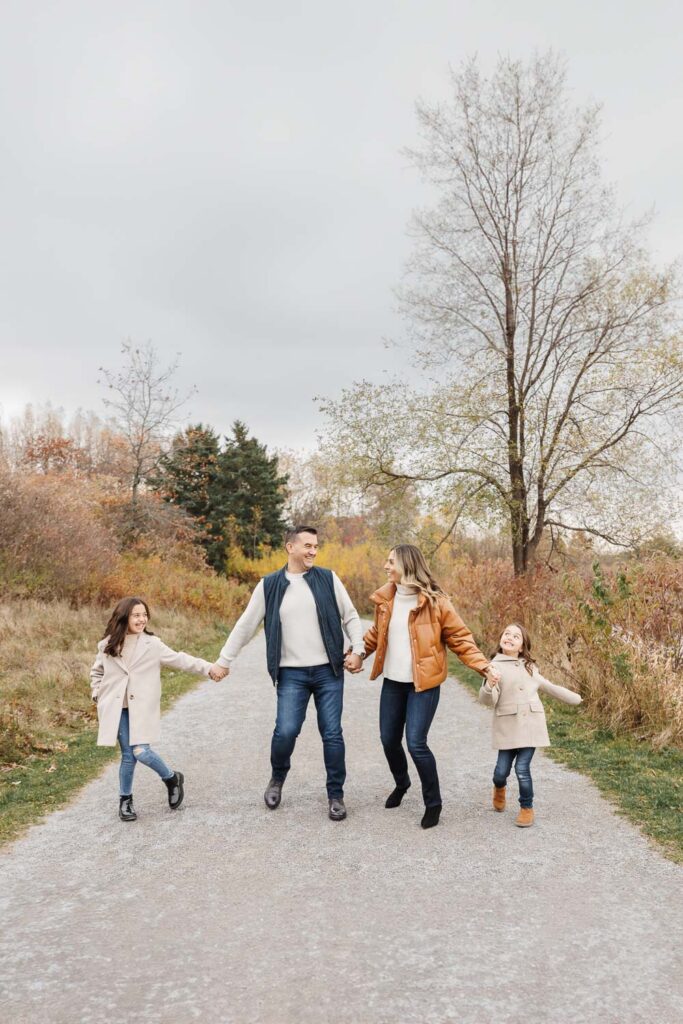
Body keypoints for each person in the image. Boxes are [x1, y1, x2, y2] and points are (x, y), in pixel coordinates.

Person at [209, 526, 365, 821]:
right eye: (307, 546)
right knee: (286, 730)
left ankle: (335, 794)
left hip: (328, 671)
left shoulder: (328, 578)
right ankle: (277, 777)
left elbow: (351, 616)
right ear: (290, 547)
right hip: (291, 674)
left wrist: (358, 649)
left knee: (332, 733)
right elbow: (246, 625)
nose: (313, 551)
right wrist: (224, 660)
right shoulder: (269, 585)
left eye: (316, 546)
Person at [356, 544, 500, 829]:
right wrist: (358, 654)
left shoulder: (437, 603)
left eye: (391, 561)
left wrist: (484, 666)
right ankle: (402, 783)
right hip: (393, 683)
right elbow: (375, 634)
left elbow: (460, 639)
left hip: (423, 686)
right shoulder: (386, 599)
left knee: (416, 743)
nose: (386, 566)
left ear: (407, 565)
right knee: (388, 739)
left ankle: (433, 803)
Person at [90, 596, 214, 822]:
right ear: (124, 617)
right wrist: (97, 694)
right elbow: (97, 672)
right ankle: (125, 800)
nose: (142, 619)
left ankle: (171, 778)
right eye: (136, 615)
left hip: (141, 708)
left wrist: (209, 669)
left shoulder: (152, 645)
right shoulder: (108, 644)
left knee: (141, 751)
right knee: (128, 756)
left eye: (144, 615)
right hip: (118, 709)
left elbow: (180, 659)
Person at [478, 622, 582, 827]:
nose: (509, 637)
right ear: (501, 639)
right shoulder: (494, 667)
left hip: (530, 726)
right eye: (506, 633)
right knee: (500, 772)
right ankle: (499, 788)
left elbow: (549, 686)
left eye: (515, 636)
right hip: (508, 727)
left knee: (522, 769)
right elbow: (488, 700)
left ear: (522, 646)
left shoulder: (529, 667)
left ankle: (526, 808)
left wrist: (574, 698)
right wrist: (490, 684)